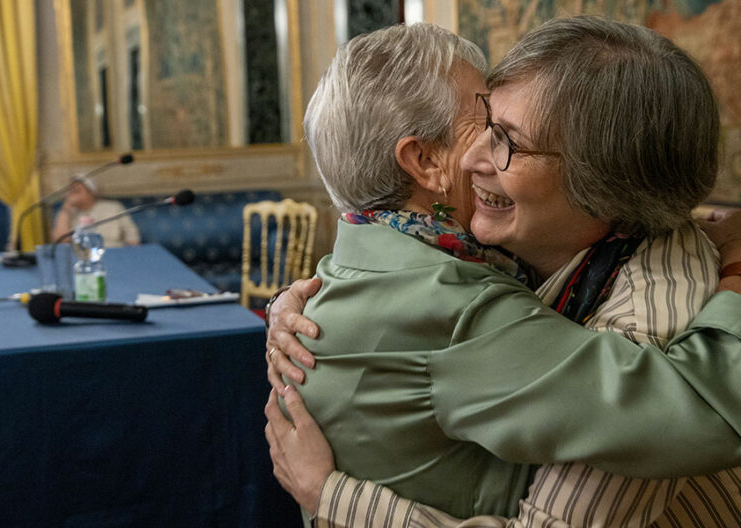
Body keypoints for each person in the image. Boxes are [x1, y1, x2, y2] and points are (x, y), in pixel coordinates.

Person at [263, 17, 741, 527]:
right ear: (423, 160)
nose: (477, 155)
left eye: (505, 137)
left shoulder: (642, 304)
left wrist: (331, 495)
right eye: (485, 123)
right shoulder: (456, 294)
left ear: (602, 181)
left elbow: (704, 411)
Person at [52, 175, 140, 248]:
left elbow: (133, 238)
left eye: (77, 191)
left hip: (114, 252)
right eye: (71, 191)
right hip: (81, 256)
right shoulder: (66, 213)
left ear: (91, 192)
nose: (72, 195)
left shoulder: (113, 207)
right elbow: (60, 241)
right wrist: (66, 208)